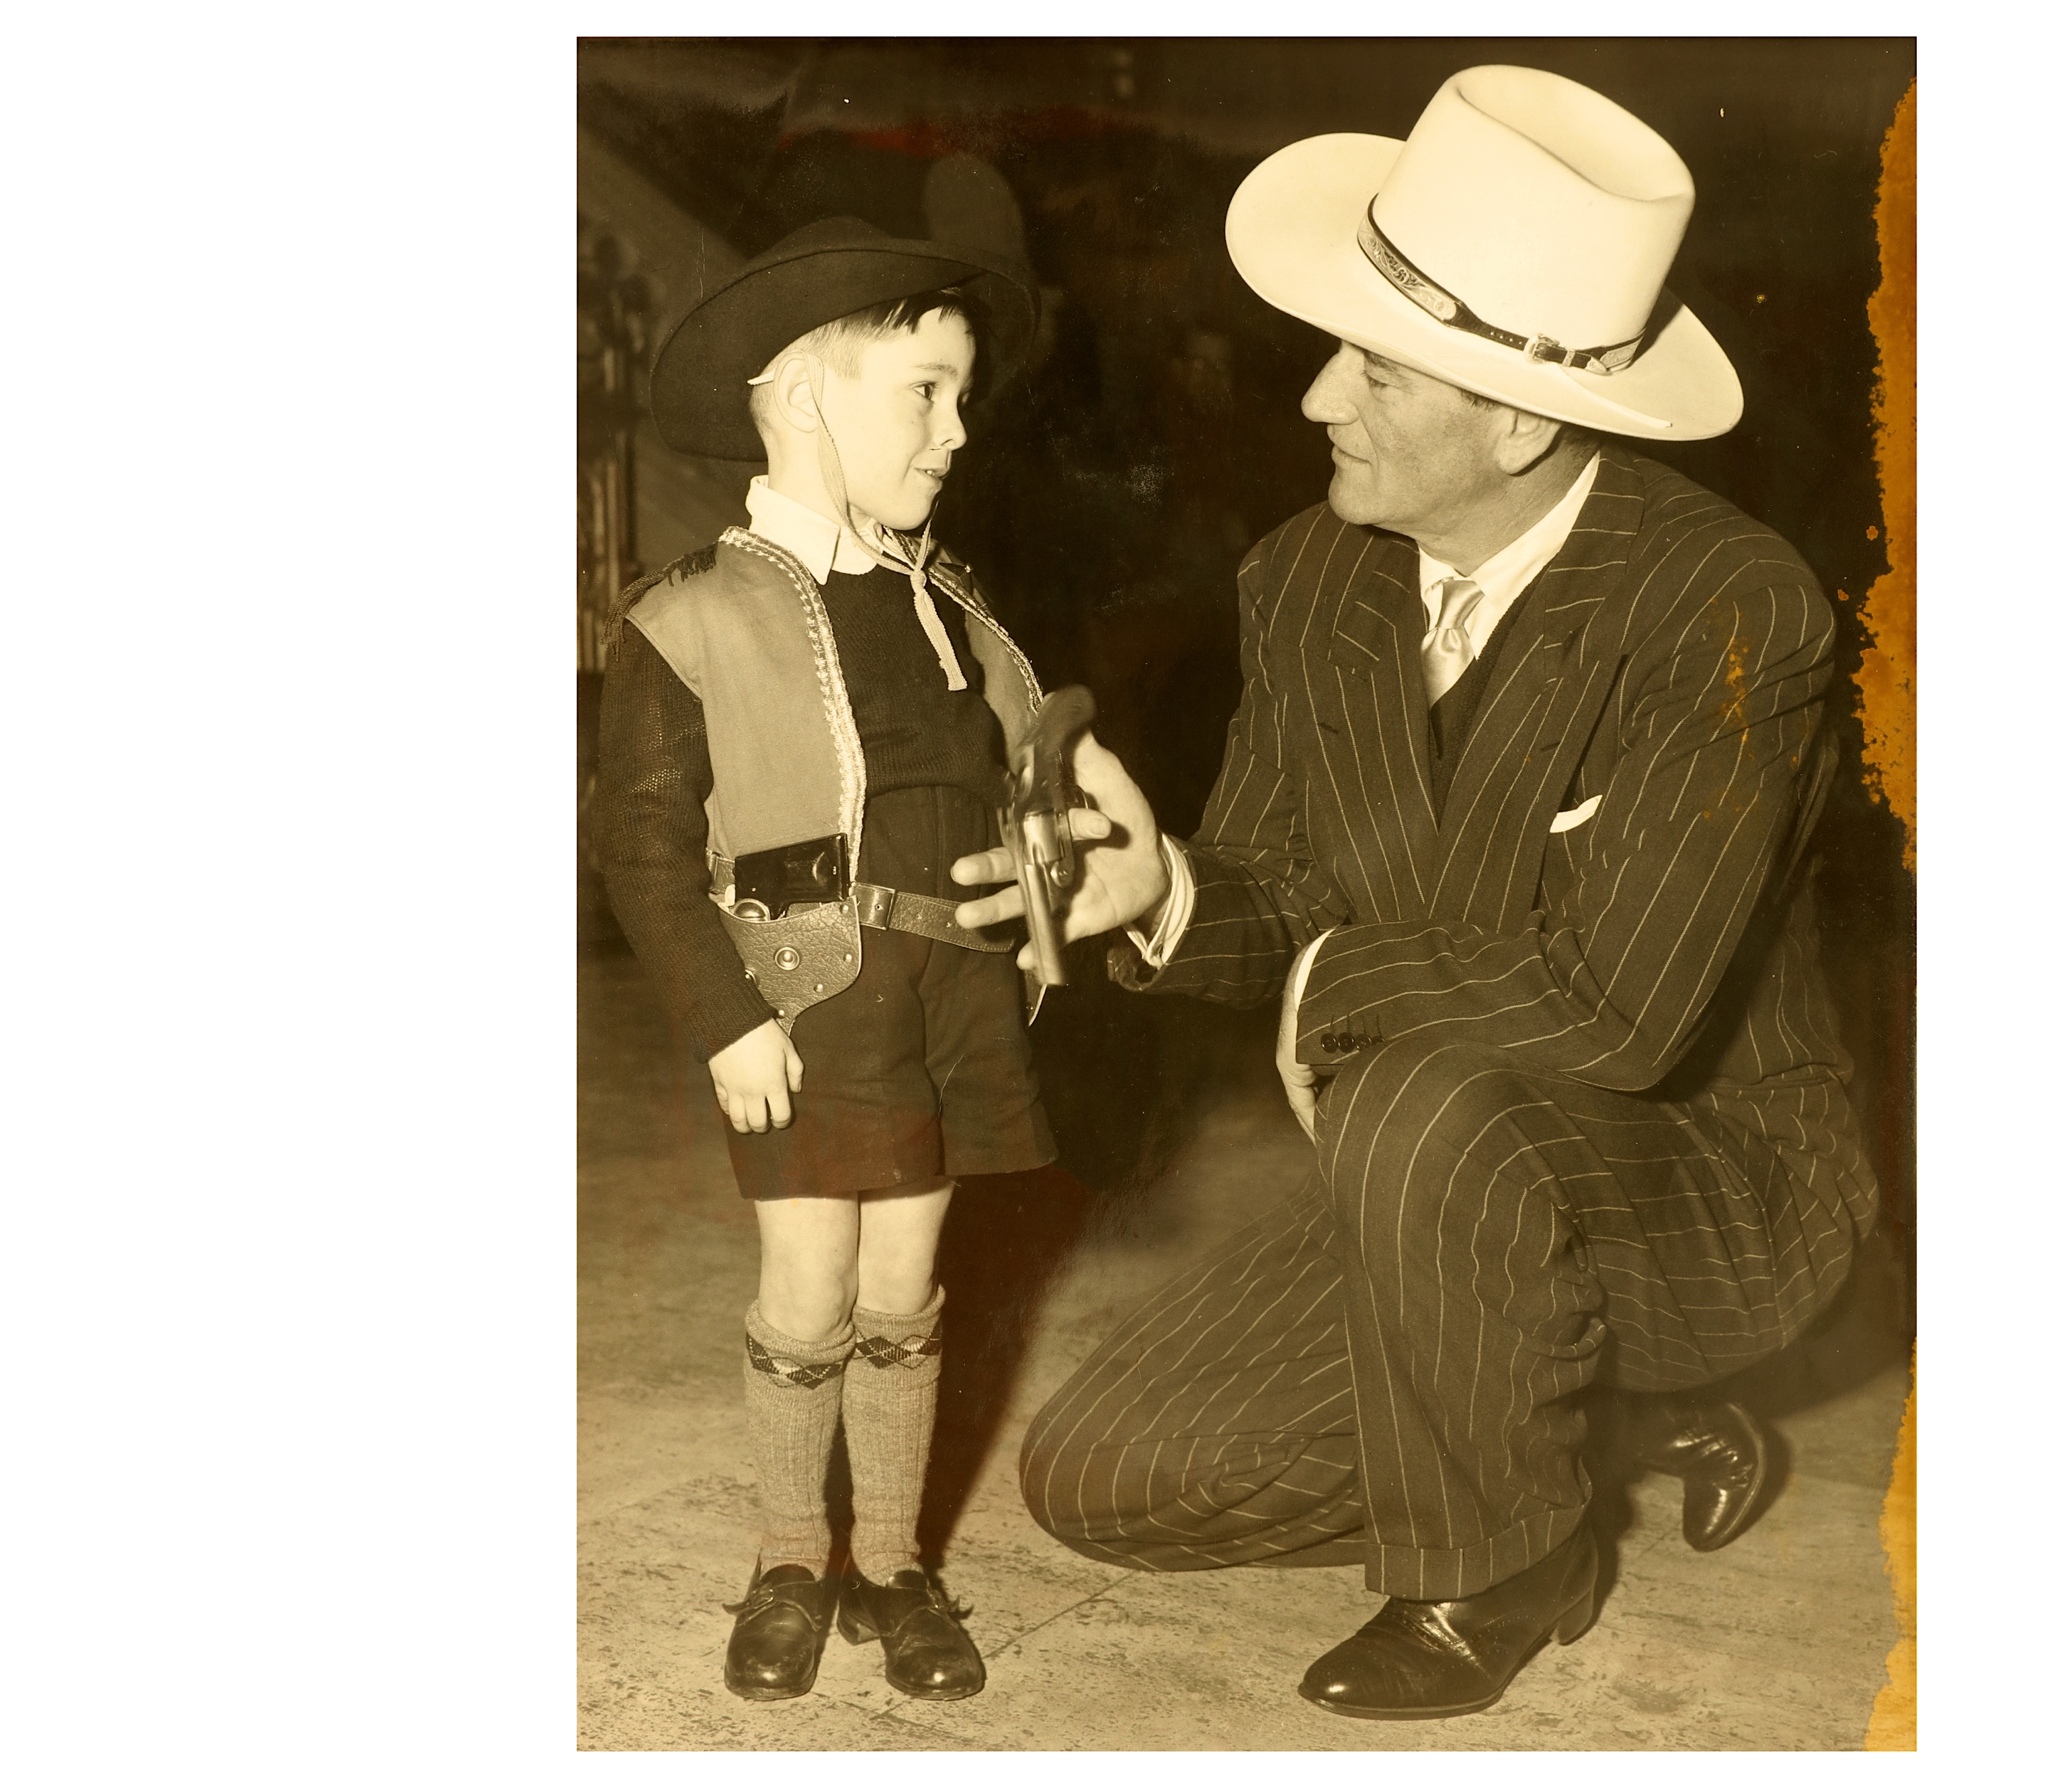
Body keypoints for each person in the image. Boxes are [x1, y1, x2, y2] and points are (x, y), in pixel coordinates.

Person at [953, 67, 1880, 1719]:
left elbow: (1617, 1011)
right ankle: (1569, 1424)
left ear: (1518, 419)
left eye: (1369, 366)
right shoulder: (1305, 575)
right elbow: (1276, 881)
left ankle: (1503, 1567)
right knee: (1101, 1479)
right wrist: (1162, 892)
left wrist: (1323, 989)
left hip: (1696, 1186)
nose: (1315, 397)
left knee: (1423, 1093)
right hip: (1434, 1182)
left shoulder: (1724, 607)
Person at [594, 216, 1056, 1704]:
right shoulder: (695, 614)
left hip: (952, 991)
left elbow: (1020, 784)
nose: (957, 429)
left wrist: (1051, 889)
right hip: (808, 1000)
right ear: (805, 401)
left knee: (909, 1282)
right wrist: (726, 1018)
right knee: (808, 1281)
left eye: (962, 397)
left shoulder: (955, 603)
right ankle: (794, 1550)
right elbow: (644, 847)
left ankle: (898, 1562)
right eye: (927, 391)